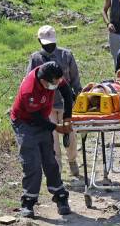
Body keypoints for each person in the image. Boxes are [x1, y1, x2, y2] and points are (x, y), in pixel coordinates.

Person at [10, 62, 73, 217]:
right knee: (32, 163)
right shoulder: (28, 90)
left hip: (42, 118)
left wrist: (67, 118)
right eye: (54, 84)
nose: (57, 85)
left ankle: (60, 195)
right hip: (25, 122)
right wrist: (56, 127)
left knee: (50, 160)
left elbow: (66, 91)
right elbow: (36, 118)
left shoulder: (53, 75)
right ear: (43, 81)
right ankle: (28, 201)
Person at [26, 25, 82, 177]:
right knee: (53, 140)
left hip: (65, 104)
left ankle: (72, 160)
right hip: (47, 106)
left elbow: (75, 78)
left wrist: (79, 94)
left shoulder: (66, 55)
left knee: (70, 135)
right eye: (46, 43)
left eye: (51, 43)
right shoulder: (35, 59)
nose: (49, 46)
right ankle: (57, 168)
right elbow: (29, 81)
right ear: (39, 41)